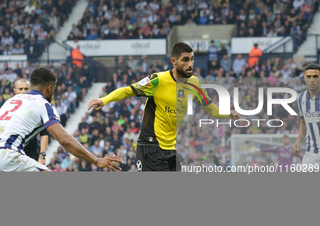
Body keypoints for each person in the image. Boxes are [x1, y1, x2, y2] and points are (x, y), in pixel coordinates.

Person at [87, 42, 240, 171]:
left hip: (170, 149)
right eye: (185, 60)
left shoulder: (195, 84)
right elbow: (127, 90)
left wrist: (229, 114)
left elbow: (211, 109)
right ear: (174, 61)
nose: (190, 64)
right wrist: (104, 100)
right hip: (150, 146)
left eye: (192, 59)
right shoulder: (158, 80)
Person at [0, 68, 123, 171]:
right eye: (54, 89)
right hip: (6, 156)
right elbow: (64, 140)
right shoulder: (43, 105)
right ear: (49, 88)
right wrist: (96, 160)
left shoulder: (10, 101)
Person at [293, 63, 320, 168]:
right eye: (309, 77)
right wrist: (298, 142)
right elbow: (303, 123)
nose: (312, 80)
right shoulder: (300, 98)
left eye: (315, 76)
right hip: (310, 153)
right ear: (304, 78)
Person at [13, 78, 49, 165]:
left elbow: (44, 133)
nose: (23, 91)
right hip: (13, 153)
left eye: (26, 89)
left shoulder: (38, 107)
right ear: (15, 91)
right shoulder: (8, 107)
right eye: (20, 89)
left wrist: (42, 155)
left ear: (31, 90)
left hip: (31, 153)